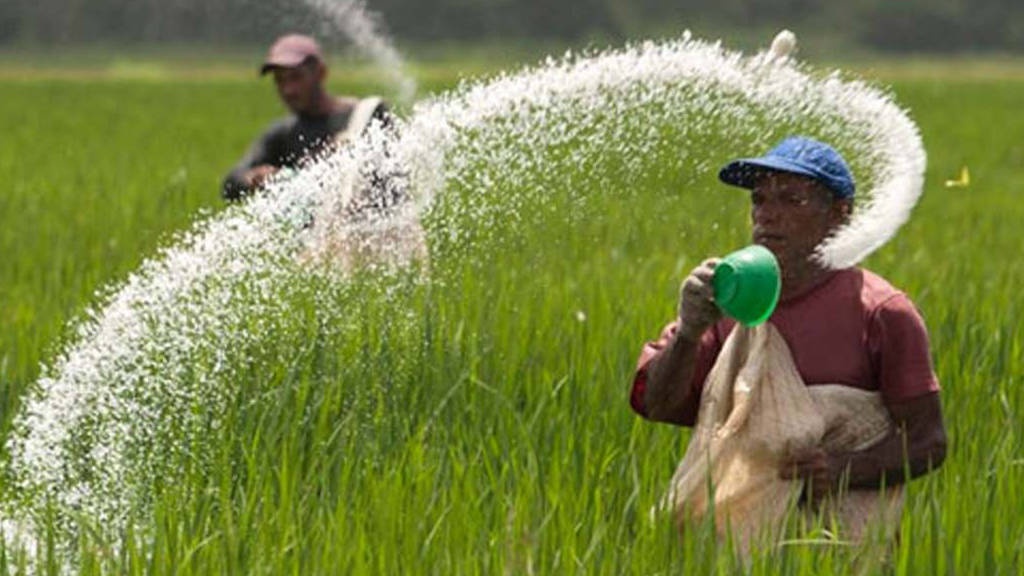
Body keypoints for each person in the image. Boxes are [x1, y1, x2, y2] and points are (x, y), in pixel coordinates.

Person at [630, 136, 947, 508]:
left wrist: (843, 469)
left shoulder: (882, 313)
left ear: (839, 214)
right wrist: (688, 332)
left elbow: (928, 441)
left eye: (791, 200)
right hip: (732, 531)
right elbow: (658, 405)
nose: (767, 214)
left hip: (843, 537)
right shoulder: (727, 301)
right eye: (759, 199)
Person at [222, 34, 391, 200]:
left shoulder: (366, 116)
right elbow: (231, 183)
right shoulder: (284, 134)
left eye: (296, 77)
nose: (288, 90)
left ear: (321, 73)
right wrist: (254, 178)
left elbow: (394, 179)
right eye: (280, 80)